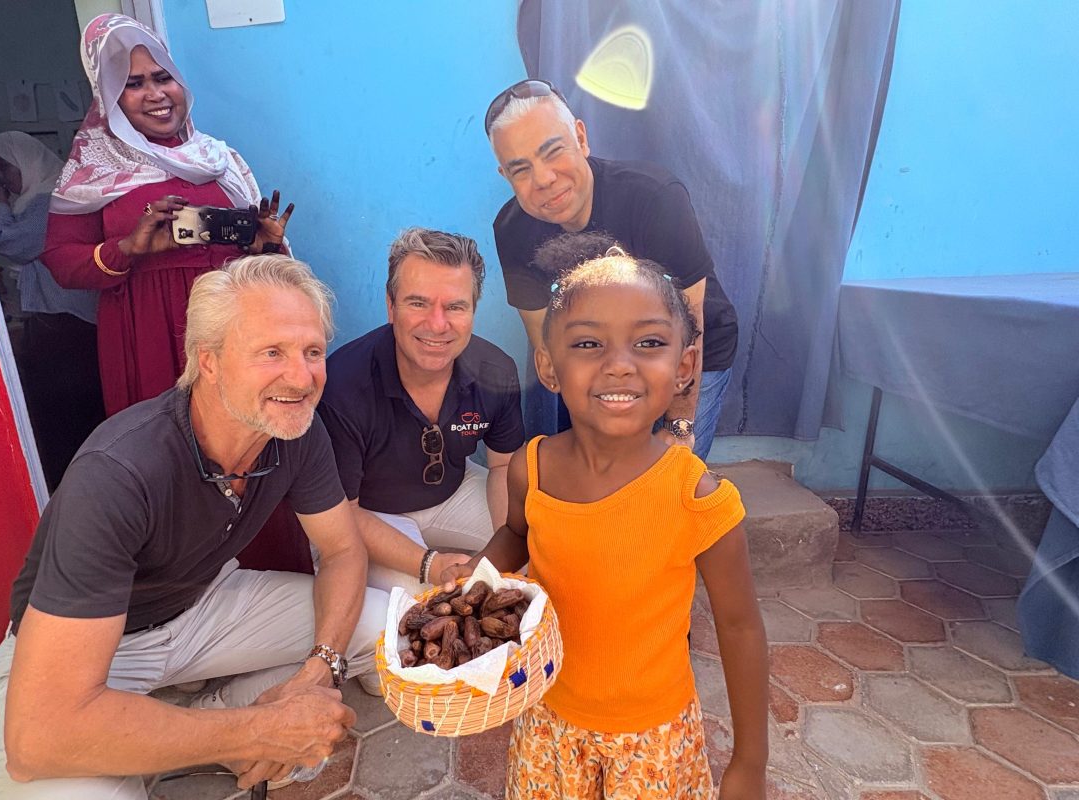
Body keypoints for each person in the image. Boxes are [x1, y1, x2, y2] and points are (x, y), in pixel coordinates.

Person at [0, 255, 387, 799]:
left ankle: (210, 714)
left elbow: (341, 551)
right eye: (271, 352)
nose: (301, 377)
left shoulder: (293, 431)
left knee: (386, 626)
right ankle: (215, 730)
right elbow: (38, 738)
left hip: (199, 606)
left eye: (312, 352)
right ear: (208, 361)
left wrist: (320, 669)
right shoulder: (118, 473)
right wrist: (260, 731)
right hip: (85, 657)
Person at [442, 250, 768, 799]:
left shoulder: (695, 495)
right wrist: (476, 578)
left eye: (649, 342)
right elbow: (517, 534)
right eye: (589, 343)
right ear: (549, 366)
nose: (619, 364)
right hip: (548, 719)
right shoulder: (532, 467)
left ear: (685, 366)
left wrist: (750, 763)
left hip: (653, 738)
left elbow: (740, 628)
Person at [42, 13, 293, 417]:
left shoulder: (218, 157)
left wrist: (263, 247)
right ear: (109, 95)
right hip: (150, 331)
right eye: (133, 84)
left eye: (163, 78)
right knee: (168, 436)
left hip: (230, 323)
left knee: (244, 425)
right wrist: (127, 248)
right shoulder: (94, 166)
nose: (156, 94)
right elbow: (60, 260)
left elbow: (256, 258)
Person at [486, 79, 739, 460]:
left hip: (689, 346)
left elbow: (691, 325)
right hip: (600, 352)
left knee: (669, 475)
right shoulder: (512, 231)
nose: (544, 179)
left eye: (553, 151)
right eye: (521, 170)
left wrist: (679, 427)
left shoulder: (654, 198)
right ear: (505, 177)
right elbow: (547, 342)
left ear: (581, 138)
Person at [318, 228, 525, 595]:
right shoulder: (343, 385)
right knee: (428, 604)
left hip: (454, 492)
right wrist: (429, 563)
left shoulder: (496, 370)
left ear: (473, 310)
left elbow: (504, 466)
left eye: (455, 307)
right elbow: (341, 510)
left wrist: (502, 555)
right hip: (369, 512)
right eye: (418, 303)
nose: (437, 324)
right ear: (390, 305)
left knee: (535, 556)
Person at [0, 131, 103, 490]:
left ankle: (75, 489)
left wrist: (0, 205)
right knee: (63, 415)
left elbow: (10, 242)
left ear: (26, 162)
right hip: (59, 324)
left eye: (4, 168)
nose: (1, 179)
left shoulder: (47, 202)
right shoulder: (40, 201)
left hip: (66, 326)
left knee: (64, 416)